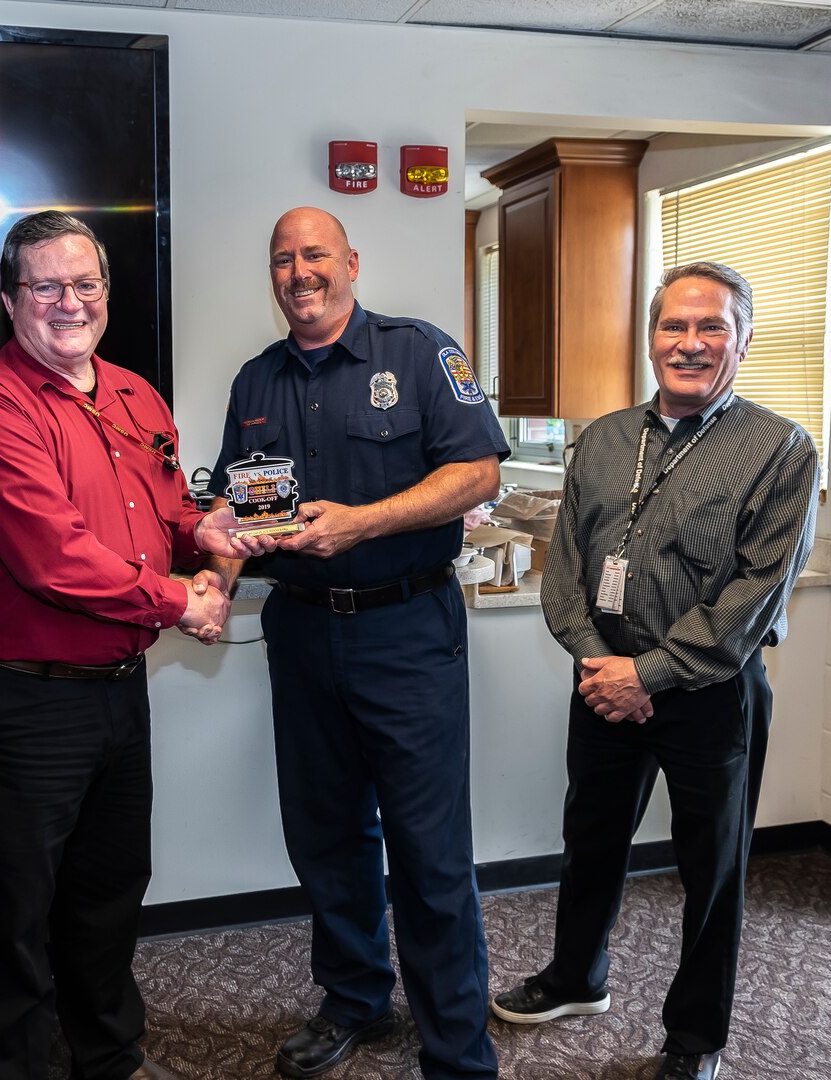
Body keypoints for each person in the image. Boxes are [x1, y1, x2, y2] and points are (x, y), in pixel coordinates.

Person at [0, 210, 248, 1080]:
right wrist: (181, 602)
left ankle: (110, 1060)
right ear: (10, 299)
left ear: (106, 292)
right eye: (45, 285)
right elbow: (53, 555)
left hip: (116, 692)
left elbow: (168, 516)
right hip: (20, 701)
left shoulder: (137, 394)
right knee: (13, 918)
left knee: (108, 898)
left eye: (86, 284)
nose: (69, 303)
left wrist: (213, 534)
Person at [491, 262, 819, 1080]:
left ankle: (695, 1038)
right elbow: (565, 565)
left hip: (710, 691)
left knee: (713, 865)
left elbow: (754, 591)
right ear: (650, 338)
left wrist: (656, 673)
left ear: (742, 342)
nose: (692, 343)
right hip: (603, 676)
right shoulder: (603, 438)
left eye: (713, 328)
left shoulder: (781, 448)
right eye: (675, 326)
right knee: (591, 837)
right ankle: (577, 978)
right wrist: (597, 659)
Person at [203, 207, 508, 1080]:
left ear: (351, 263)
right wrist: (213, 586)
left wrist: (362, 524)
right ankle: (356, 999)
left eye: (315, 256)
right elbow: (240, 517)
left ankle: (456, 1049)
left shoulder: (415, 353)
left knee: (427, 846)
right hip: (300, 633)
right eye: (283, 260)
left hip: (405, 629)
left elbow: (478, 471)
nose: (299, 272)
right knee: (325, 834)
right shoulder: (255, 383)